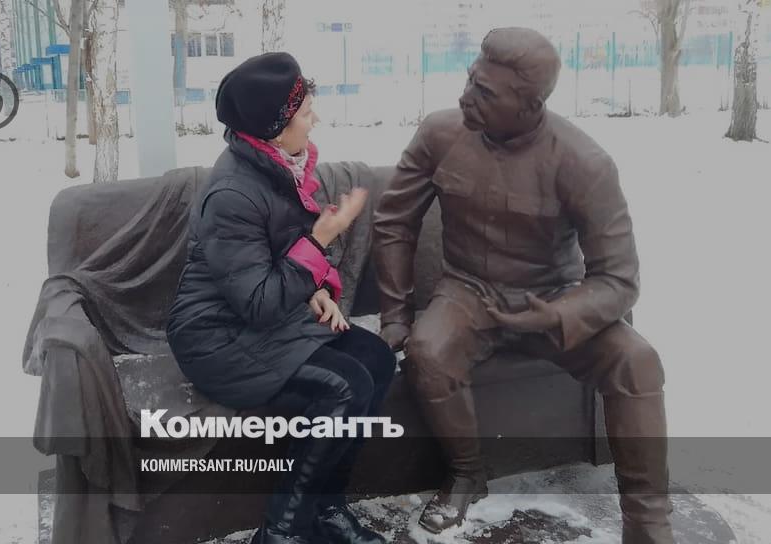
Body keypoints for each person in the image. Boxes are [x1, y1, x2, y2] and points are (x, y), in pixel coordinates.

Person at [373, 28, 674, 543]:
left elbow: (620, 278)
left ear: (531, 103)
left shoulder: (583, 162)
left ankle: (648, 523)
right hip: (467, 294)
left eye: (485, 92)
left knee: (637, 360)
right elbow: (393, 222)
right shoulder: (440, 134)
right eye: (470, 80)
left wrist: (559, 314)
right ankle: (467, 475)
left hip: (553, 296)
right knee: (427, 352)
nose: (466, 97)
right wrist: (396, 316)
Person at [167, 52, 395, 544]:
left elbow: (276, 257)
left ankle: (327, 509)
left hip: (260, 320)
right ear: (275, 128)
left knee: (377, 359)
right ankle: (281, 530)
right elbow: (259, 300)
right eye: (306, 113)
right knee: (344, 386)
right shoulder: (232, 193)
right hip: (216, 338)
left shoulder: (277, 167)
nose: (315, 120)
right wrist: (322, 238)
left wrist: (317, 289)